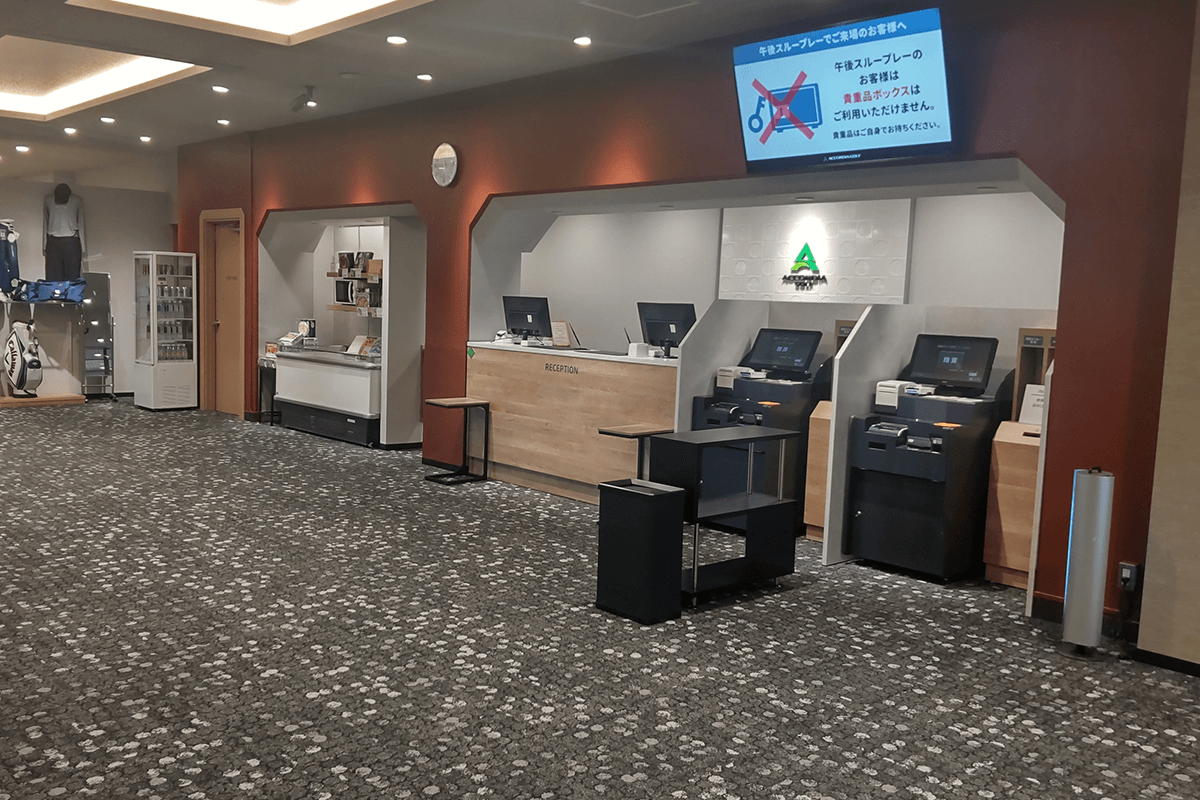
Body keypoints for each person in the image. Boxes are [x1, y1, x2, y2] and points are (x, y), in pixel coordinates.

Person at [43, 183, 86, 281]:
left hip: (71, 241)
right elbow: (45, 221)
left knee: (72, 277)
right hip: (53, 241)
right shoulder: (48, 199)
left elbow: (81, 222)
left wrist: (82, 246)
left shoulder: (77, 200)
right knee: (53, 278)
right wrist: (44, 244)